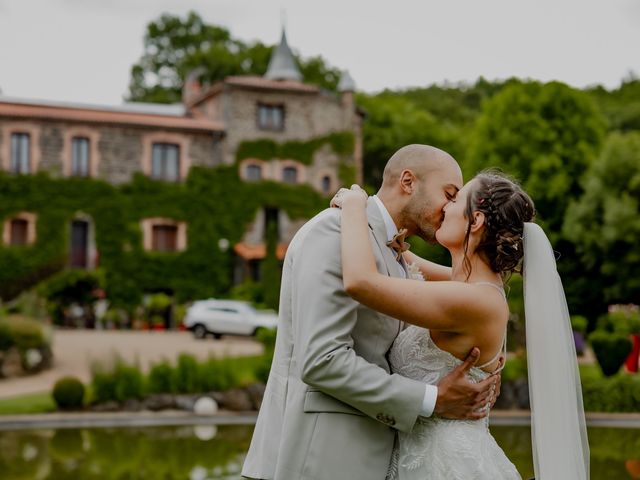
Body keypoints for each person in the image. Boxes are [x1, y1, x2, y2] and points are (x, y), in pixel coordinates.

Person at [241, 145, 500, 480]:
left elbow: (472, 289)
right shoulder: (334, 231)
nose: (450, 208)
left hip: (380, 455)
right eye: (448, 194)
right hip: (324, 455)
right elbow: (322, 359)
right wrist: (432, 398)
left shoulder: (395, 252)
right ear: (408, 181)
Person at [335, 171, 589, 479]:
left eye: (455, 199)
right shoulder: (470, 286)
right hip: (421, 456)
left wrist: (352, 206)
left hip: (447, 464)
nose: (445, 207)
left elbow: (361, 282)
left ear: (476, 220)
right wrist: (381, 223)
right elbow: (405, 261)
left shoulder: (476, 302)